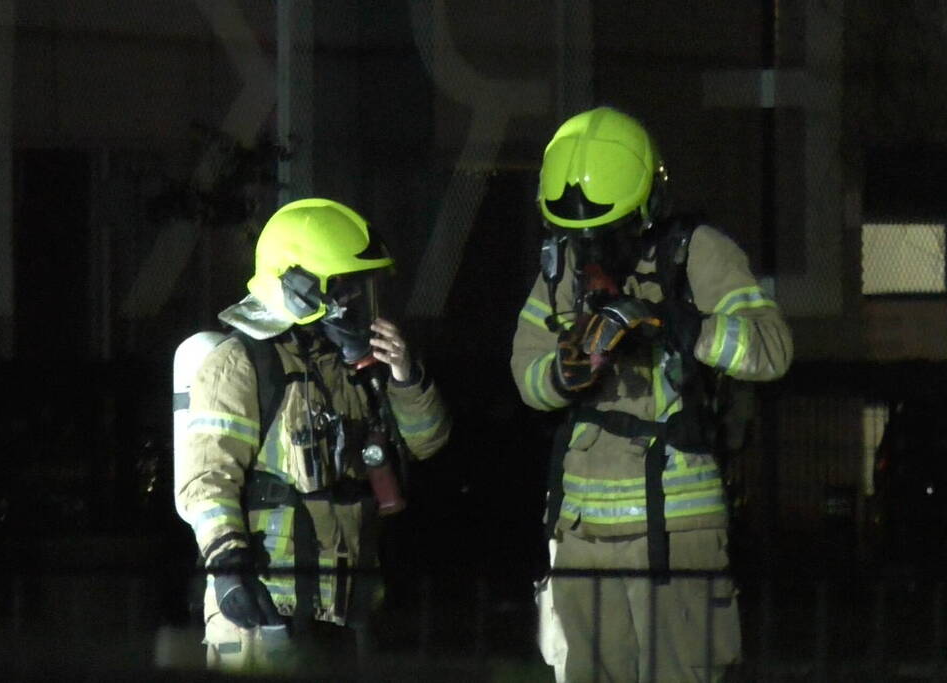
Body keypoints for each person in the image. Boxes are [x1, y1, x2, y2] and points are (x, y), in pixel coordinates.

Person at [511, 107, 793, 682]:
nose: (589, 252)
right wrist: (569, 372)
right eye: (577, 237)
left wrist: (678, 326)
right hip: (580, 532)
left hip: (675, 534)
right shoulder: (562, 264)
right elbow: (526, 373)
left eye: (605, 235)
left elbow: (772, 348)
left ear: (645, 208)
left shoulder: (698, 253)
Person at [174, 197, 451, 674]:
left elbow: (427, 442)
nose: (359, 302)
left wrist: (405, 375)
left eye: (362, 289)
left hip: (347, 614)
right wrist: (228, 567)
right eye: (346, 289)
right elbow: (205, 480)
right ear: (302, 291)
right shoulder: (241, 364)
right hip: (264, 613)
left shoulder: (355, 370)